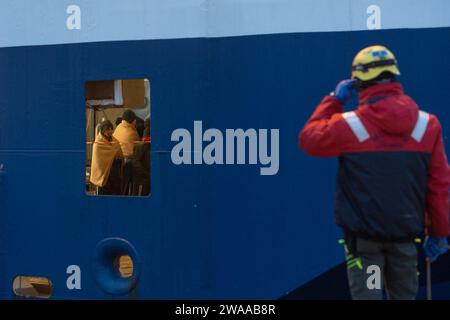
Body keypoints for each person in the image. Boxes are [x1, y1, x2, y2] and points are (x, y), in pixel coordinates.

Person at [298, 45, 450, 300]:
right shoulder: (427, 125)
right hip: (405, 242)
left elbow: (308, 140)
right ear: (395, 76)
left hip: (365, 244)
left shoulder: (349, 126)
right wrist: (439, 233)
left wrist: (333, 100)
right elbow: (439, 186)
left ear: (357, 83)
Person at [90, 120, 123, 195]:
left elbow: (120, 154)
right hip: (104, 175)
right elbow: (98, 163)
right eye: (107, 129)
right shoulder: (98, 143)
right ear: (102, 130)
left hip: (114, 173)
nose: (110, 131)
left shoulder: (115, 141)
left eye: (111, 129)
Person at [113, 109, 141, 194]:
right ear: (132, 121)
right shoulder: (132, 132)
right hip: (127, 162)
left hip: (116, 161)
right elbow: (137, 149)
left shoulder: (118, 128)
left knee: (122, 186)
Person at [131, 118, 151, 196]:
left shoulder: (139, 145)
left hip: (141, 178)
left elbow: (136, 162)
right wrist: (147, 174)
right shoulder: (145, 145)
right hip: (144, 178)